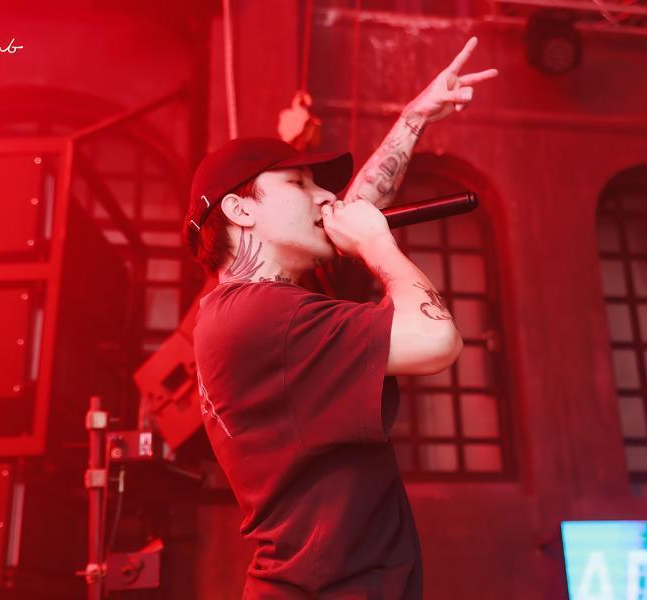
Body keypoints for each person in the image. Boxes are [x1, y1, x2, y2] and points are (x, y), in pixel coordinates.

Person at [185, 38, 497, 599]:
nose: (326, 197)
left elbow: (356, 205)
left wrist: (413, 119)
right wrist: (378, 246)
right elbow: (435, 341)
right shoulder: (264, 318)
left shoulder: (261, 306)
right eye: (299, 184)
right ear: (239, 209)